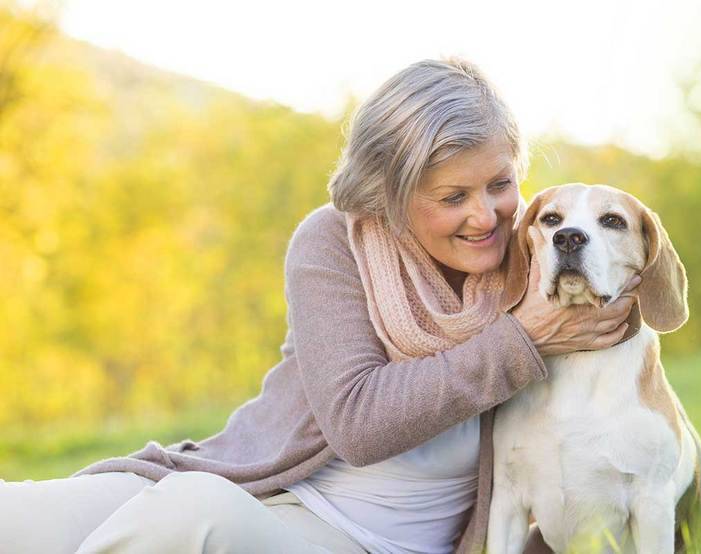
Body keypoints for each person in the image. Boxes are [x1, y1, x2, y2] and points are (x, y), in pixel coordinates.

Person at [0, 58, 638, 554]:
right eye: (452, 197)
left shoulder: (542, 257)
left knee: (187, 515)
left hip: (364, 541)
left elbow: (634, 330)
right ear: (389, 197)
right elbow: (359, 422)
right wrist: (519, 340)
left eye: (501, 184)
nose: (485, 216)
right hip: (258, 483)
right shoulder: (338, 242)